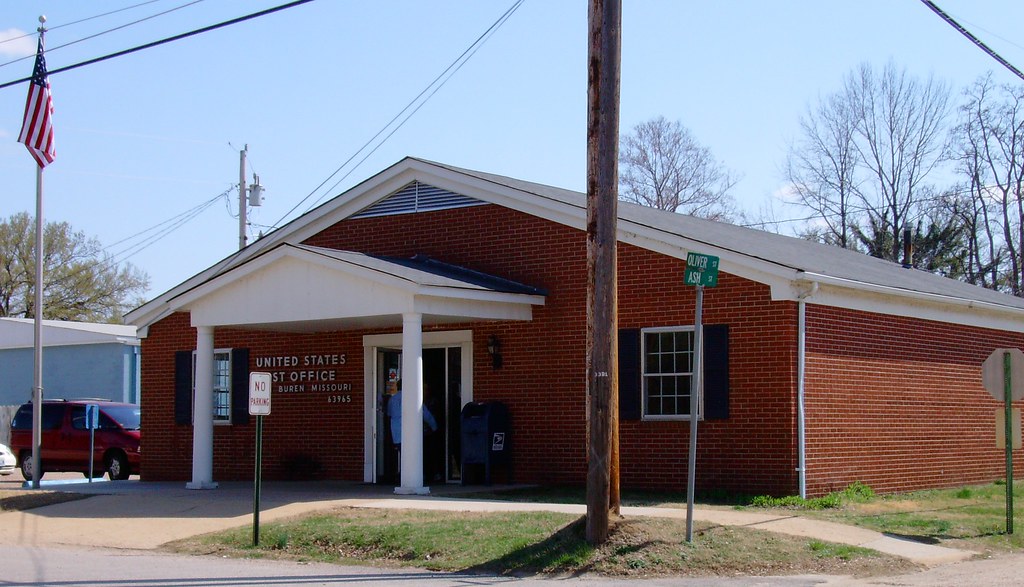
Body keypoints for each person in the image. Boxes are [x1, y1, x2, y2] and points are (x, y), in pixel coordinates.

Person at [388, 380, 438, 480]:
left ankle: (405, 476)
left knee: (404, 456)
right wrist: (434, 427)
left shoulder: (392, 400)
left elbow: (389, 414)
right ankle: (417, 477)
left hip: (397, 433)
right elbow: (425, 414)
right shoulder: (413, 397)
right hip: (411, 433)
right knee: (417, 455)